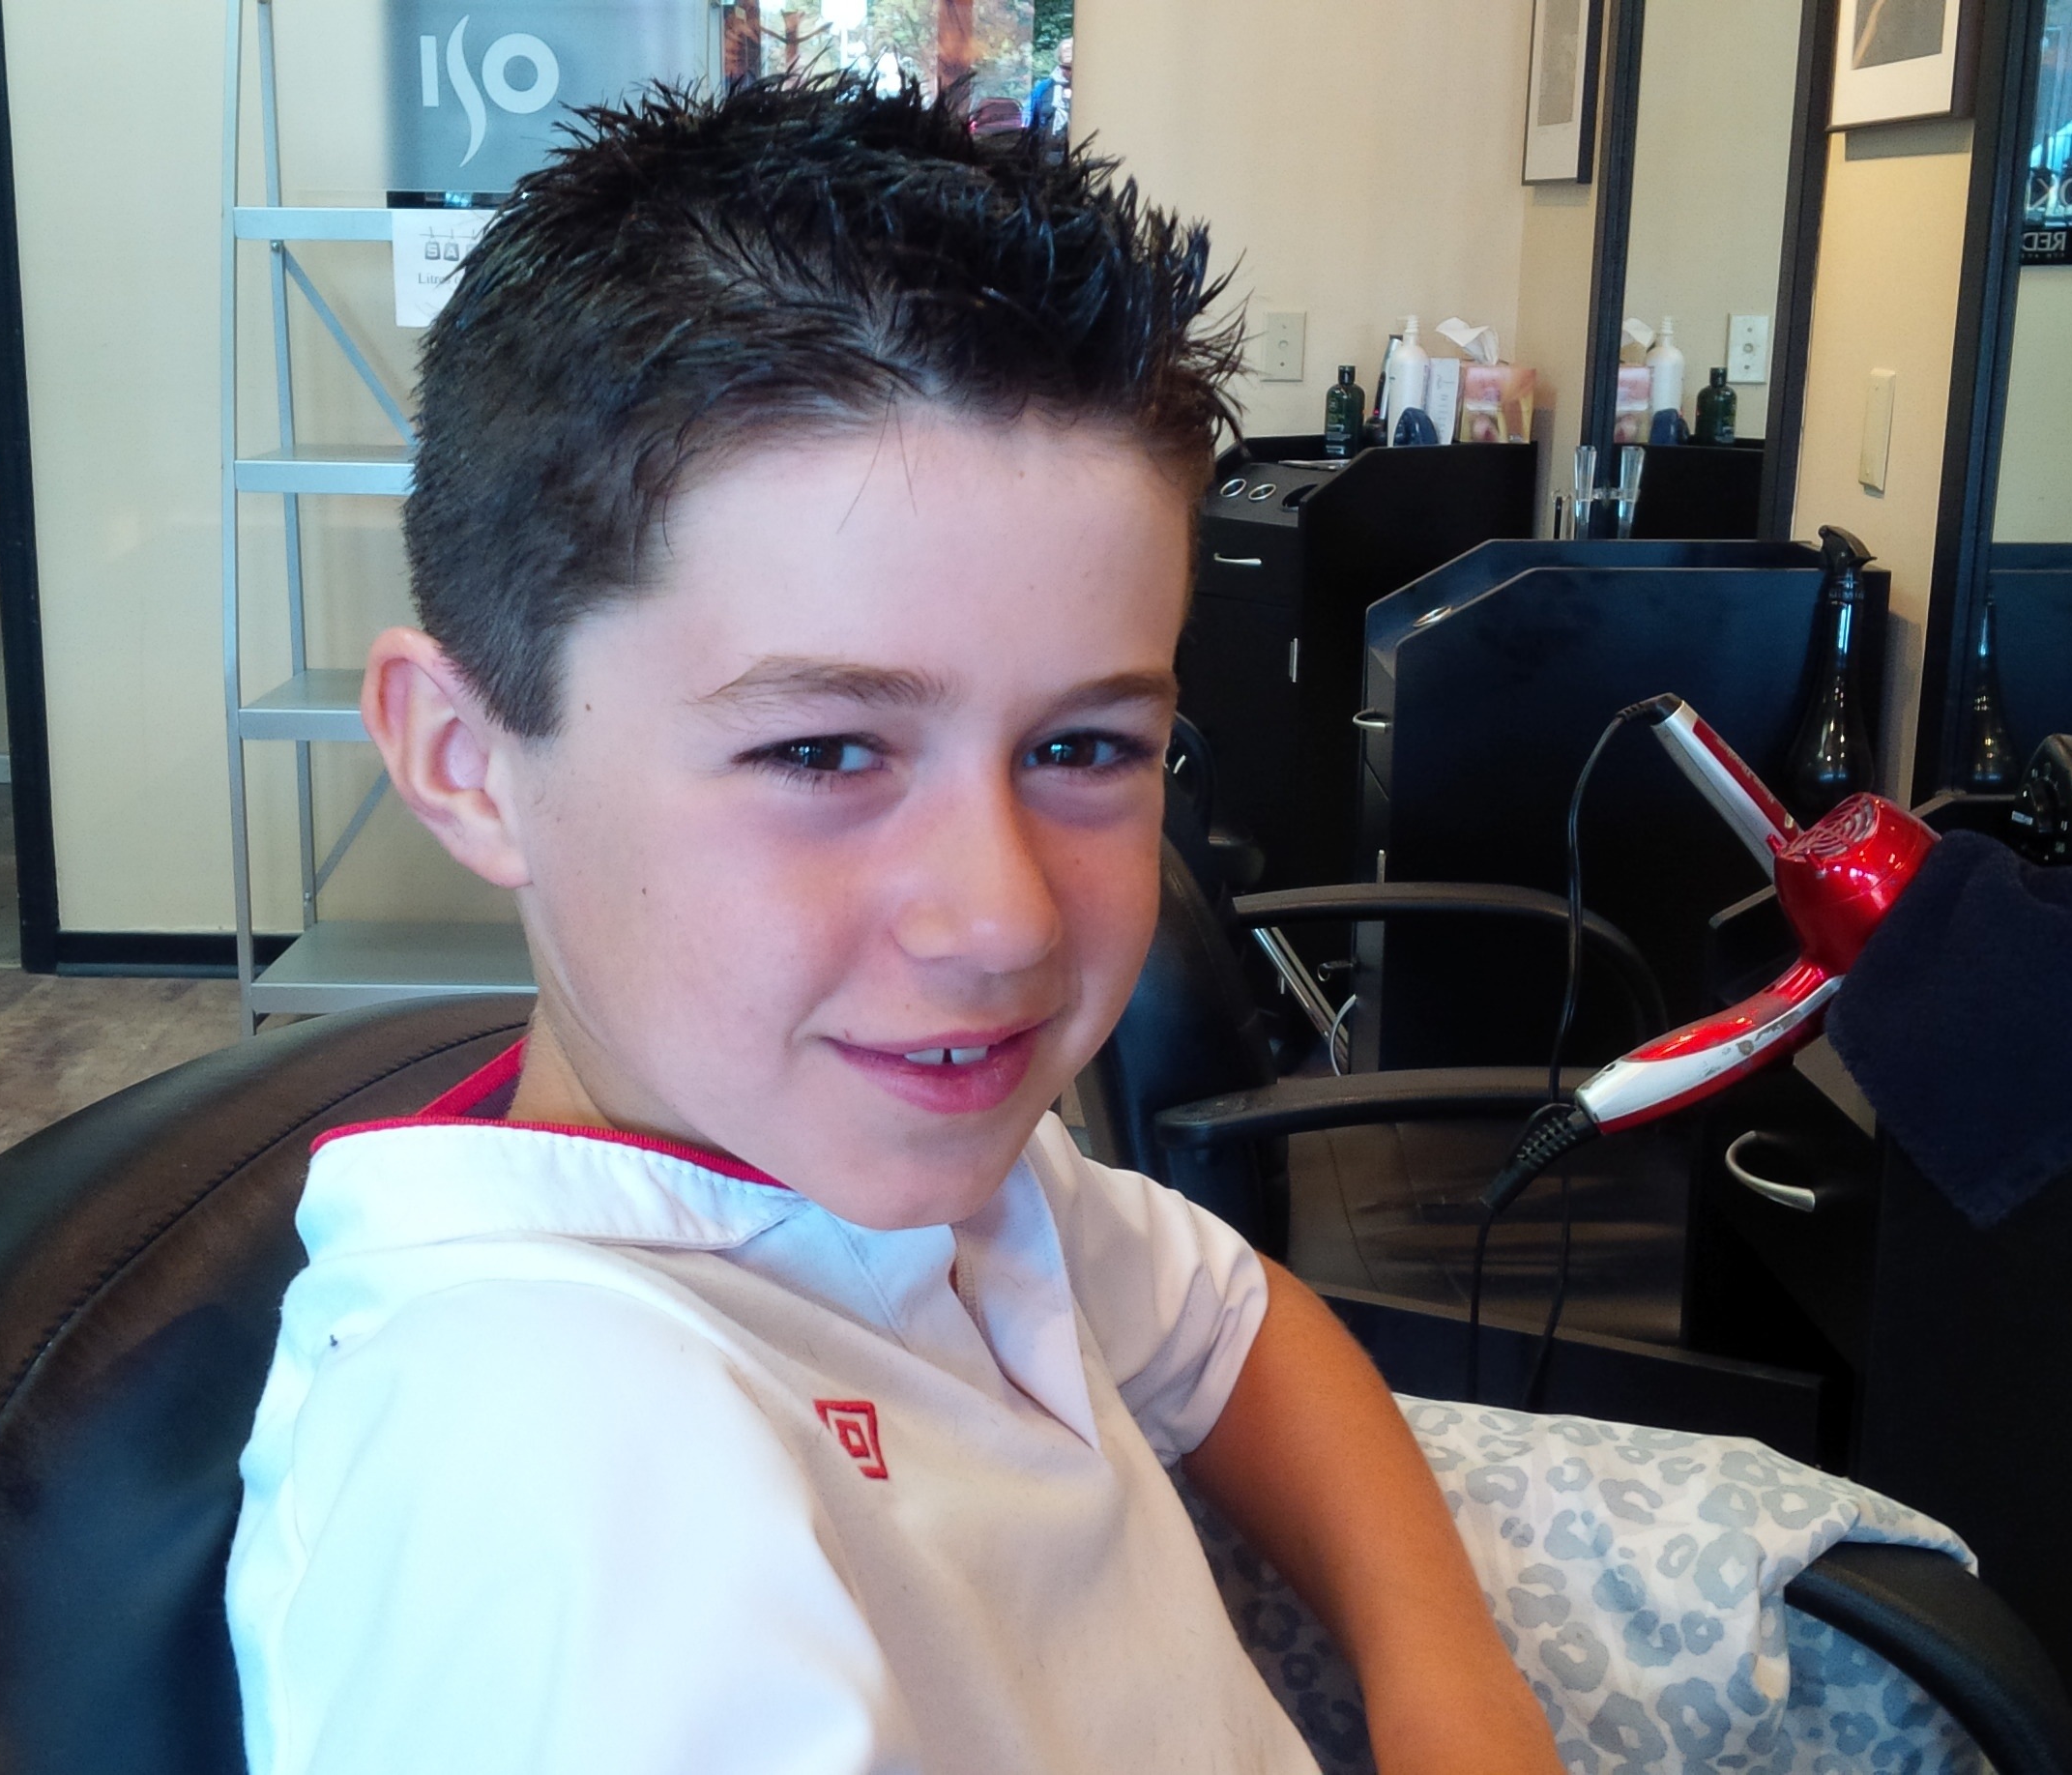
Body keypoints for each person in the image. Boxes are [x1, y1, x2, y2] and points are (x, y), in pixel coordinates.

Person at [225, 75, 1562, 1775]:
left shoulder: (886, 1160)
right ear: (465, 760)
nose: (1001, 920)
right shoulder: (563, 1476)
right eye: (822, 753)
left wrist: (1445, 1683)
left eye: (1084, 748)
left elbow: (1229, 1328)